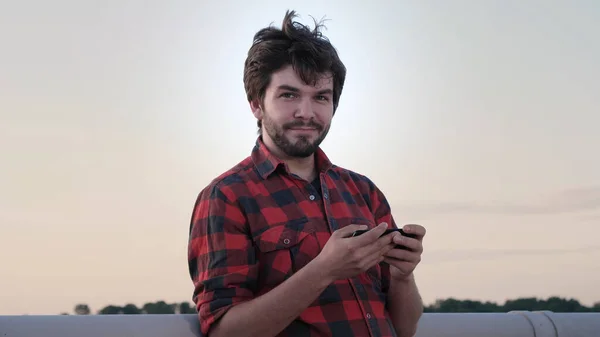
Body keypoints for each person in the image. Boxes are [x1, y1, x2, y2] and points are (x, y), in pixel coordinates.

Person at [187, 10, 426, 337]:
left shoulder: (363, 191)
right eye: (289, 95)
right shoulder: (227, 197)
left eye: (321, 98)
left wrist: (402, 276)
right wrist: (324, 270)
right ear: (256, 103)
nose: (306, 112)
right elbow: (224, 332)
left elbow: (404, 327)